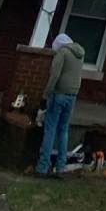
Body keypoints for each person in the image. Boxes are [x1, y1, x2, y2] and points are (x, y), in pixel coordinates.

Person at [36, 32, 85, 177]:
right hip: (72, 96)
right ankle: (61, 167)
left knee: (50, 130)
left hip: (59, 94)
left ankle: (43, 167)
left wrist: (46, 95)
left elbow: (54, 75)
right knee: (63, 131)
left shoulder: (62, 53)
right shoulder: (80, 54)